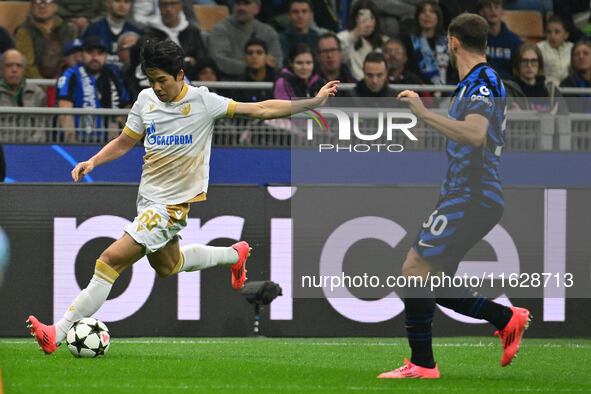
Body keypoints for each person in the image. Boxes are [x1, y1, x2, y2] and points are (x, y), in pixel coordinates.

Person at [26, 38, 339, 355]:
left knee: (108, 262)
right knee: (168, 266)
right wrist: (93, 160)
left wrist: (310, 103)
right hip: (147, 202)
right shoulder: (146, 100)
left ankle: (58, 332)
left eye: (162, 80)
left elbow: (260, 109)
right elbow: (124, 141)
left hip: (170, 208)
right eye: (152, 80)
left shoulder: (204, 102)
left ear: (179, 75)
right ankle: (235, 255)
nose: (157, 87)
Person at [381, 13, 530, 379]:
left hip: (472, 194)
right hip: (467, 193)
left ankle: (422, 364)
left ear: (453, 42)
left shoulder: (482, 81)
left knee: (413, 271)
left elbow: (475, 134)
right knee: (429, 281)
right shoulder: (471, 84)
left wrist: (422, 112)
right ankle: (504, 317)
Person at [56, 37, 131, 143]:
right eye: (90, 52)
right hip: (78, 142)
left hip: (109, 143)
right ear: (82, 55)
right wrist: (72, 142)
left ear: (105, 56)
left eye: (100, 53)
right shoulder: (71, 74)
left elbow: (126, 105)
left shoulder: (113, 76)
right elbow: (64, 108)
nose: (95, 57)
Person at [208, 0, 282, 80]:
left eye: (246, 3)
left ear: (257, 8)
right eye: (238, 3)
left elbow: (277, 62)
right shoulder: (221, 29)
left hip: (265, 83)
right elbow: (219, 61)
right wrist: (255, 66)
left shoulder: (268, 31)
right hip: (230, 84)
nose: (241, 7)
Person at [143, 0, 207, 81]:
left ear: (181, 5)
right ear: (159, 6)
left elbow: (202, 59)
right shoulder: (149, 32)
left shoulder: (192, 31)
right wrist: (187, 61)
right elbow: (155, 62)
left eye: (173, 4)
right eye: (164, 4)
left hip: (192, 81)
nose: (168, 8)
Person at [14, 0, 76, 80]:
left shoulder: (68, 31)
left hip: (64, 82)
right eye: (38, 1)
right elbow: (27, 65)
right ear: (32, 6)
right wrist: (46, 86)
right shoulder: (24, 31)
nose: (42, 6)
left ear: (55, 7)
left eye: (47, 1)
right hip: (35, 85)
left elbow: (74, 61)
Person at [0, 49, 47, 142]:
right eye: (9, 65)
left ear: (24, 69)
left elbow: (42, 128)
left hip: (30, 149)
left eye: (19, 66)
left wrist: (28, 147)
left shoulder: (37, 93)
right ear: (1, 69)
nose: (14, 70)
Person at [402, 1, 452, 86]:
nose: (427, 15)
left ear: (438, 17)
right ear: (417, 17)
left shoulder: (449, 42)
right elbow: (411, 70)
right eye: (423, 11)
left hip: (447, 91)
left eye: (432, 12)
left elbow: (453, 71)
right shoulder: (408, 42)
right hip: (420, 89)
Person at [337, 0, 389, 81]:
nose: (367, 22)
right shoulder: (343, 37)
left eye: (371, 17)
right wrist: (355, 34)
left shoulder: (385, 41)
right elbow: (339, 59)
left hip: (379, 84)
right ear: (355, 18)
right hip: (353, 84)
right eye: (361, 17)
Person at [503, 42, 562, 113]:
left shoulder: (552, 91)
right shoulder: (508, 89)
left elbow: (564, 119)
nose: (529, 65)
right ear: (518, 64)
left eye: (534, 61)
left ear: (539, 64)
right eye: (525, 61)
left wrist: (523, 115)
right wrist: (550, 117)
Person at [83, 0, 142, 68]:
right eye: (117, 1)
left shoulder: (136, 32)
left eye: (126, 1)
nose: (122, 5)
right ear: (107, 2)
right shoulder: (93, 30)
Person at [478, 0, 522, 78]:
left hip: (508, 87)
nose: (493, 10)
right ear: (481, 11)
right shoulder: (475, 40)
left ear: (503, 10)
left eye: (496, 5)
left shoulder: (514, 41)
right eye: (488, 6)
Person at [232, 38, 276, 103]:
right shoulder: (238, 84)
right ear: (245, 58)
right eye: (250, 53)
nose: (254, 56)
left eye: (259, 53)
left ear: (266, 57)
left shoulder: (278, 79)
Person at [537, 16, 573, 86]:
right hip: (547, 90)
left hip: (570, 89)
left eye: (557, 32)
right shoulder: (539, 48)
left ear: (566, 35)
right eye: (549, 32)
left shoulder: (572, 48)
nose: (552, 36)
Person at [560, 40, 591, 113]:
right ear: (572, 60)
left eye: (586, 53)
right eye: (576, 54)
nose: (581, 57)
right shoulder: (566, 85)